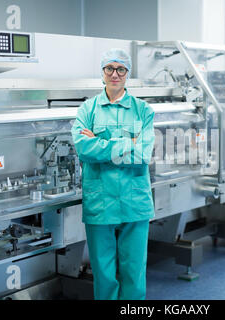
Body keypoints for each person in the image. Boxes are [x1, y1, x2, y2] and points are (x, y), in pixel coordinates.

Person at [71, 48, 155, 300]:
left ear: (127, 73)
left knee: (134, 273)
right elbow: (82, 148)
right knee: (104, 275)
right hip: (101, 202)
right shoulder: (88, 109)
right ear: (103, 72)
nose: (115, 74)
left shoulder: (144, 110)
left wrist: (100, 142)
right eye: (110, 68)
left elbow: (142, 155)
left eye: (120, 69)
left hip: (135, 202)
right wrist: (128, 143)